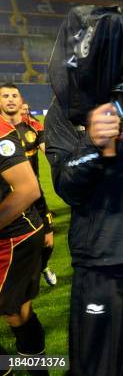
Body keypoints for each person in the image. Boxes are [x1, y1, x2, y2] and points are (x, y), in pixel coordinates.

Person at [0, 95, 45, 366]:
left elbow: (28, 190)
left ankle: (37, 369)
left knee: (15, 312)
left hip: (16, 235)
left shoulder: (2, 135)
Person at [0, 88, 57, 287]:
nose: (10, 99)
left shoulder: (33, 127)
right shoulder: (2, 131)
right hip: (9, 200)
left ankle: (43, 267)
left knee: (48, 242)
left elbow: (50, 153)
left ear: (22, 101)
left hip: (35, 196)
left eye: (14, 95)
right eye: (5, 96)